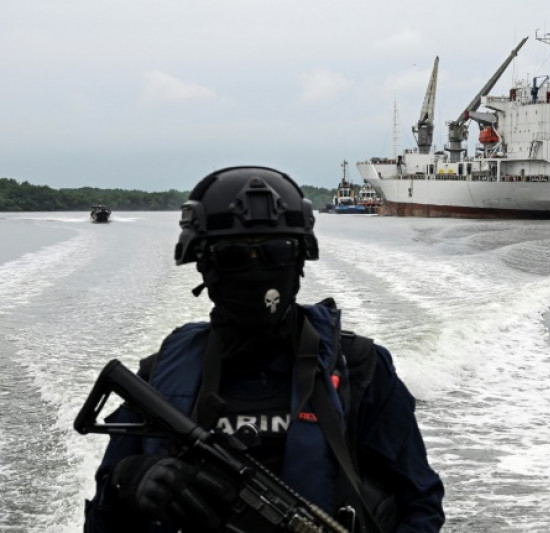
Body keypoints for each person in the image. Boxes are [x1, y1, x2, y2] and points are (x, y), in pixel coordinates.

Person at [83, 166, 445, 532]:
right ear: (204, 264)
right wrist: (124, 483)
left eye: (276, 252)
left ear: (300, 260)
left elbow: (420, 504)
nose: (257, 272)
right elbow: (98, 524)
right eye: (232, 256)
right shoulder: (159, 378)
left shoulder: (360, 369)